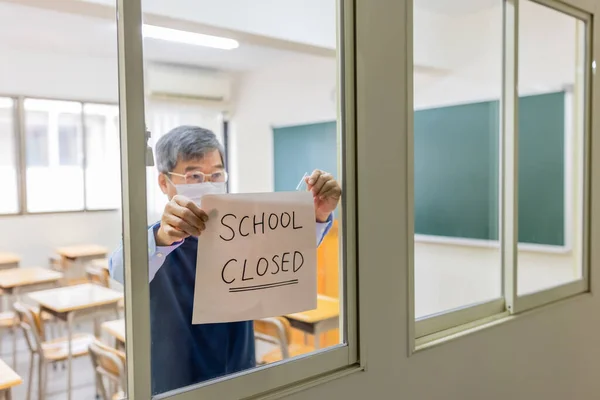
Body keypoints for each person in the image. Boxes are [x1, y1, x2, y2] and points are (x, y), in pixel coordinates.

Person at [109, 125, 341, 394]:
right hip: (175, 384)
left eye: (216, 174)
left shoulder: (240, 231)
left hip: (239, 376)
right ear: (164, 182)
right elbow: (120, 270)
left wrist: (316, 214)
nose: (208, 184)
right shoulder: (153, 239)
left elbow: (285, 253)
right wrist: (161, 238)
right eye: (194, 175)